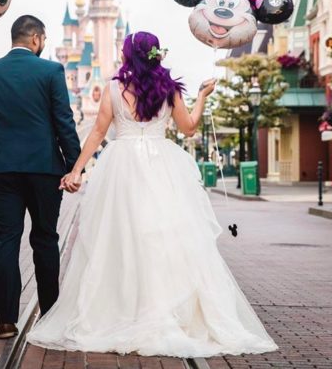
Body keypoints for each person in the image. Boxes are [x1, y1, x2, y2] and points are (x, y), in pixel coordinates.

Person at [26, 31, 278, 357]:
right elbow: (188, 128)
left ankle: (124, 308)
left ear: (129, 54)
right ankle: (164, 308)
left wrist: (76, 170)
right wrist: (202, 96)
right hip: (162, 165)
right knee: (164, 236)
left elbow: (98, 133)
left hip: (121, 166)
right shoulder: (169, 89)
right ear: (156, 54)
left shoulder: (114, 89)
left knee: (120, 238)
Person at [0, 15, 81, 340]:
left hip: (2, 169)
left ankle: (6, 322)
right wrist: (75, 166)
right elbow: (64, 122)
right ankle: (51, 314)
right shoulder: (51, 71)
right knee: (45, 239)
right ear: (37, 39)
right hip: (44, 169)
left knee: (7, 240)